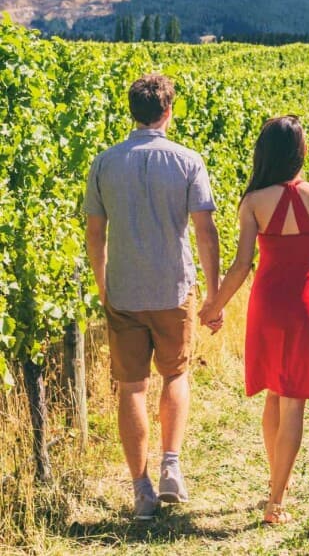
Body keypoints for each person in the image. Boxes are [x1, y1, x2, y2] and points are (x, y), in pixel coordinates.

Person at [84, 74, 222, 520]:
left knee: (131, 387)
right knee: (176, 375)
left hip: (123, 289)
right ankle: (171, 468)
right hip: (173, 288)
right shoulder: (187, 161)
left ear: (132, 111)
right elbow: (205, 231)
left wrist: (105, 285)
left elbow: (95, 234)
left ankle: (141, 489)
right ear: (169, 111)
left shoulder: (104, 163)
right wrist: (214, 294)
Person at [198, 115, 309, 525]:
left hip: (269, 305)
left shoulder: (253, 202)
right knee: (294, 399)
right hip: (307, 301)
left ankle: (275, 479)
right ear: (301, 152)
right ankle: (276, 499)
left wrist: (214, 305)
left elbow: (242, 265)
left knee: (274, 394)